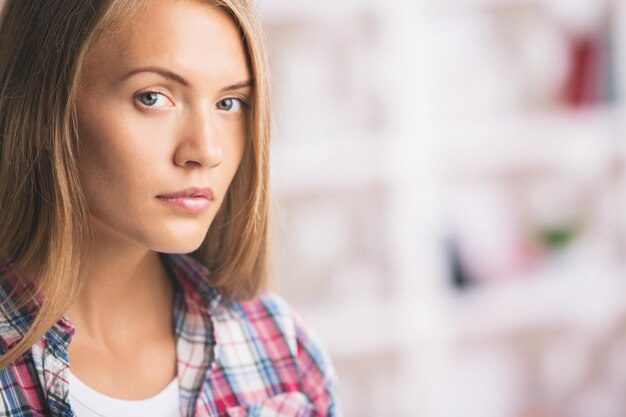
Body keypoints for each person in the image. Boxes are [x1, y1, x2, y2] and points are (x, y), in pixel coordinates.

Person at [0, 0, 340, 416]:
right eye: (153, 97)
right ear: (41, 111)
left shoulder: (281, 347)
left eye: (229, 103)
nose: (206, 150)